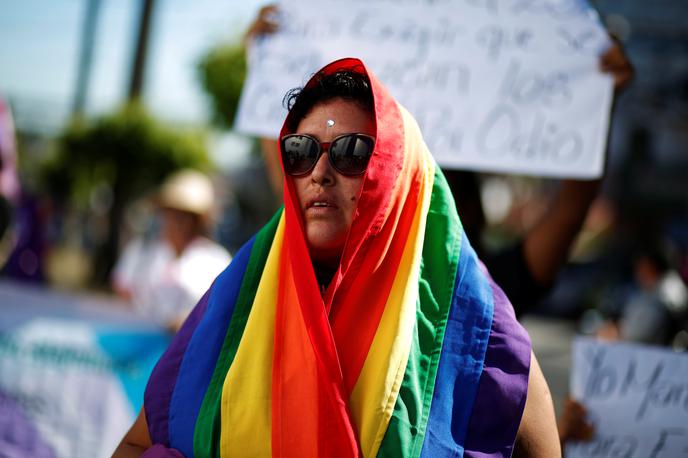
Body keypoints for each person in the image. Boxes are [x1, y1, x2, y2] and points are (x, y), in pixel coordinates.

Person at [115, 59, 559, 456]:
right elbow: (138, 443)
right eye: (300, 152)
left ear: (395, 175)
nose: (320, 174)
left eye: (352, 153)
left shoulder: (479, 332)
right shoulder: (236, 301)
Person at [112, 169, 231, 331]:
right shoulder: (141, 251)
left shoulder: (216, 260)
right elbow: (122, 290)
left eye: (184, 216)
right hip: (141, 346)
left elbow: (222, 308)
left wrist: (187, 321)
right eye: (170, 213)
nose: (174, 222)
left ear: (198, 221)